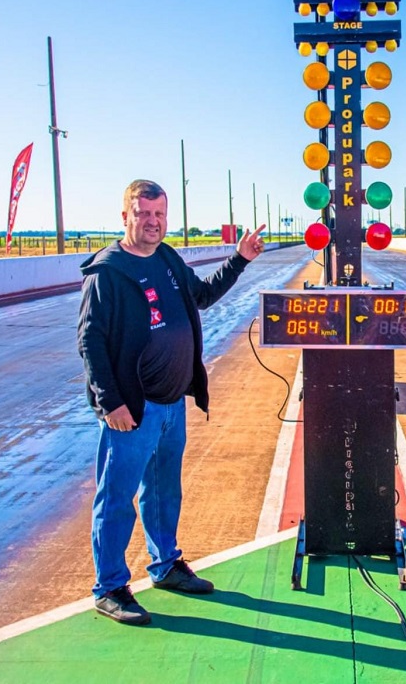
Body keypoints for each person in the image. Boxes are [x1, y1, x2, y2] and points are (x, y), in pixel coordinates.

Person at [78, 179, 265, 626]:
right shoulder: (108, 272)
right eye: (143, 214)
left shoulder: (166, 258)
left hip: (171, 404)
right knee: (117, 498)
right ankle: (109, 587)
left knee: (164, 491)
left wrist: (240, 259)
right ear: (125, 216)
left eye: (159, 214)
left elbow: (202, 296)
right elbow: (90, 341)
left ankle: (165, 565)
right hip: (132, 410)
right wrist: (111, 403)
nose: (152, 222)